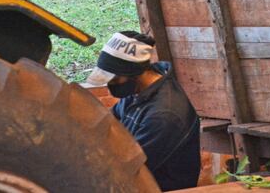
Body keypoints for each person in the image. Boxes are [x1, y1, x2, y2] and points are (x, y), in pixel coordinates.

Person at [83, 31, 201, 191]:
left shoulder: (164, 115)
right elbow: (109, 120)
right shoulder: (137, 91)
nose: (112, 85)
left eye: (115, 79)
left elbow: (129, 167)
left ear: (134, 73)